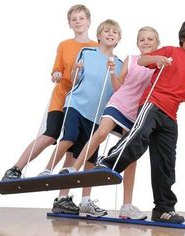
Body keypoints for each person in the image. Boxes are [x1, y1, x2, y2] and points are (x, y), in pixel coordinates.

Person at [96, 16, 185, 223]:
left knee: (166, 162)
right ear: (183, 37)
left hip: (171, 116)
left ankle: (163, 209)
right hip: (153, 103)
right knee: (139, 136)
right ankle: (107, 165)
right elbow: (142, 60)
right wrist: (157, 60)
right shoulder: (170, 51)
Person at [60, 26, 160, 220]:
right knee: (101, 133)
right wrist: (113, 72)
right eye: (142, 40)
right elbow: (117, 87)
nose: (146, 42)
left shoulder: (159, 66)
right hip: (118, 103)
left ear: (158, 43)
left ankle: (127, 206)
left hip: (135, 114)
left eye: (150, 39)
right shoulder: (130, 59)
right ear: (137, 44)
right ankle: (74, 168)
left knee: (131, 157)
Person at [1, 4, 98, 181]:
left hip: (81, 103)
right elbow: (56, 69)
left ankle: (63, 197)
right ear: (69, 23)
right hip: (61, 98)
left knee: (72, 144)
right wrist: (56, 74)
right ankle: (15, 169)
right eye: (73, 19)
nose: (78, 22)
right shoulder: (64, 45)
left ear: (89, 21)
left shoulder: (97, 47)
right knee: (50, 134)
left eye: (81, 18)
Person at [39, 19, 123, 217]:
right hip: (76, 105)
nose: (110, 34)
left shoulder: (119, 64)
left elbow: (118, 89)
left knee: (90, 158)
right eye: (106, 31)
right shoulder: (87, 53)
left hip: (97, 115)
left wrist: (112, 72)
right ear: (99, 36)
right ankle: (47, 170)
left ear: (119, 38)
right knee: (69, 137)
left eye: (114, 32)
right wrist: (76, 69)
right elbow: (76, 78)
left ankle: (85, 201)